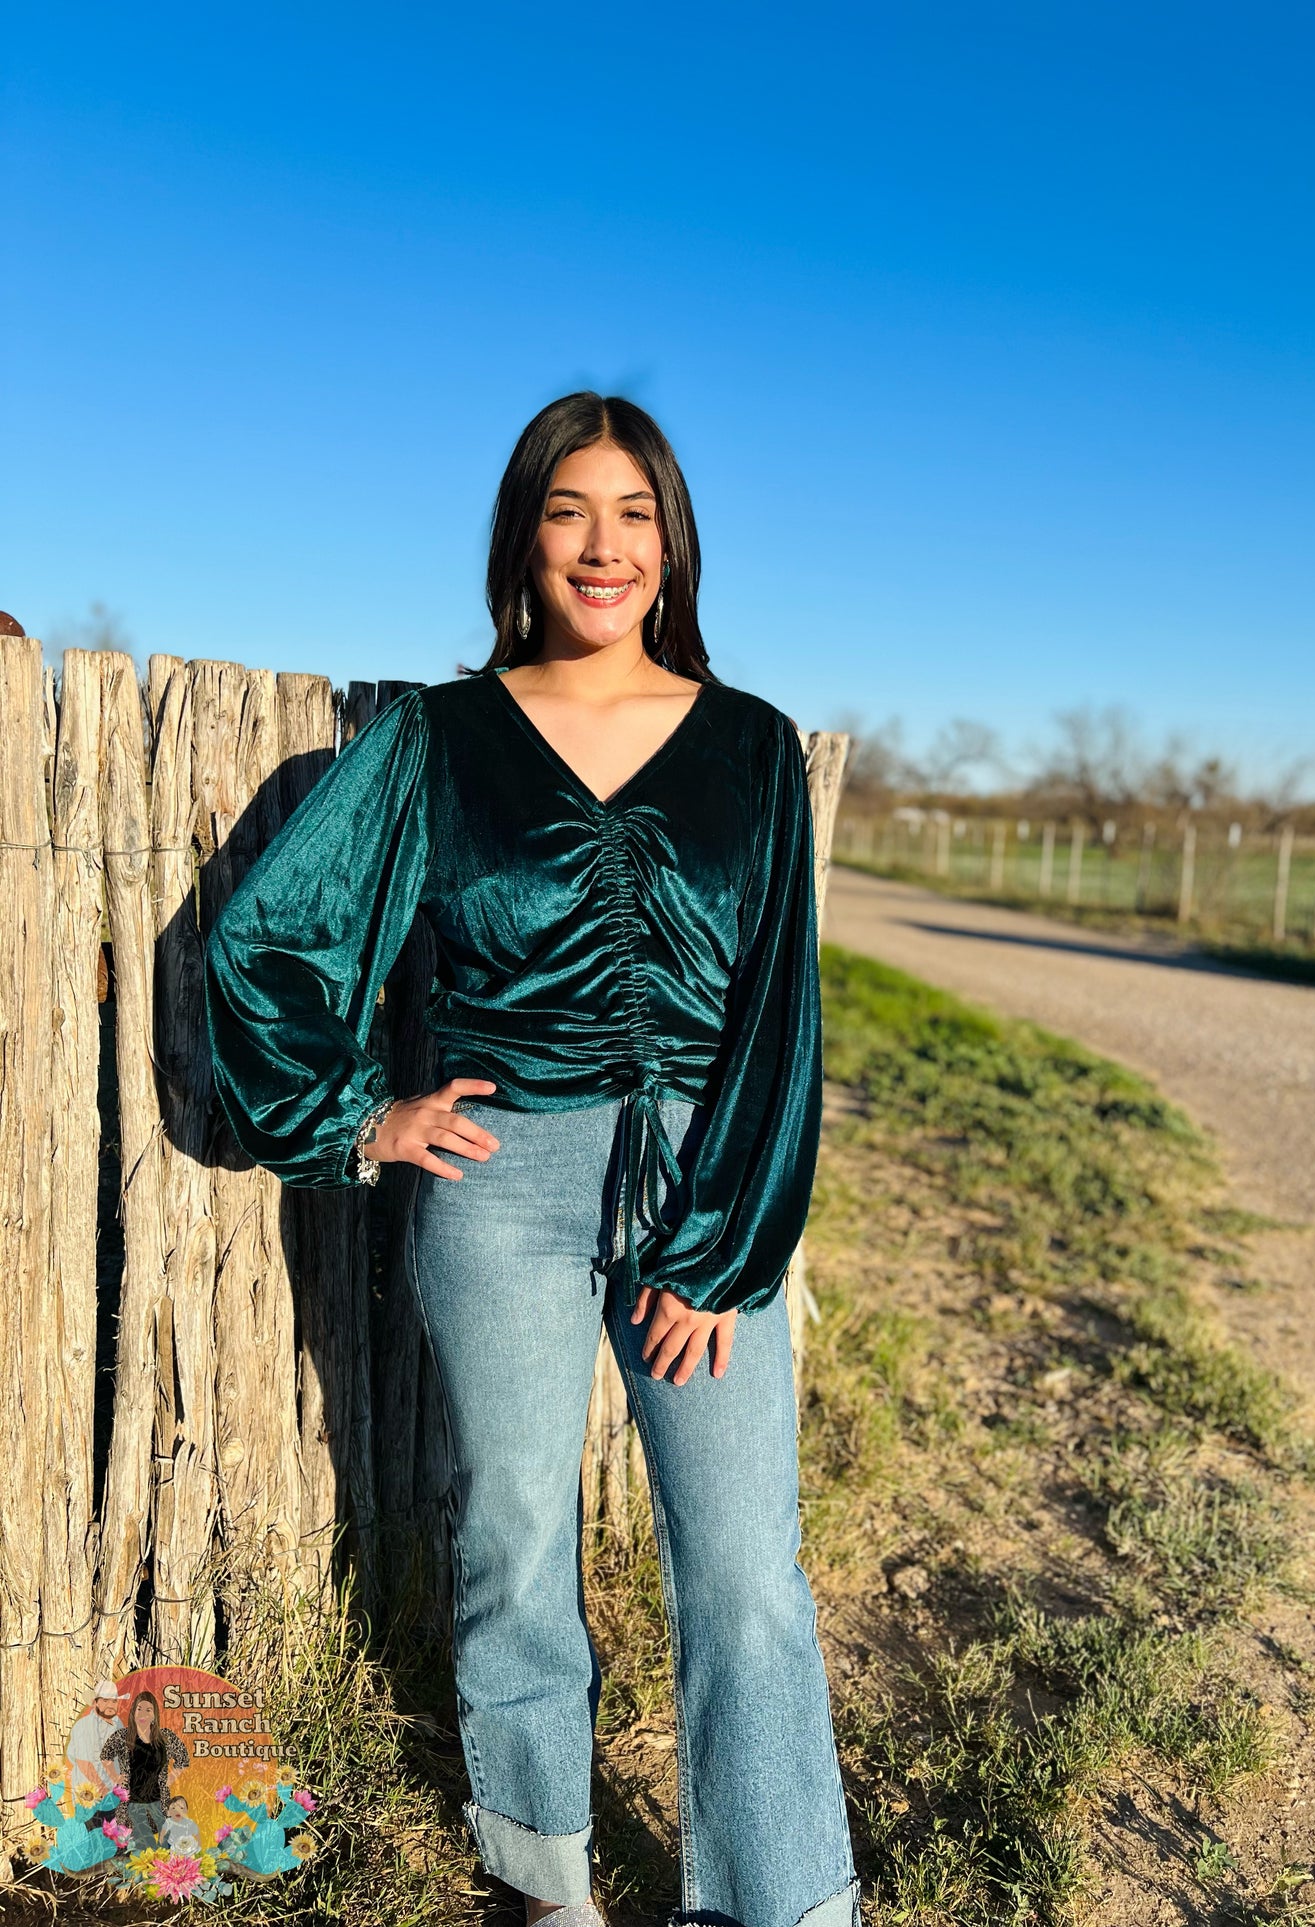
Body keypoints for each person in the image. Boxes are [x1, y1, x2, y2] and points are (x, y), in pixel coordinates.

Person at [204, 392, 858, 1927]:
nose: (603, 543)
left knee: (749, 1568)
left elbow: (781, 1020)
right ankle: (543, 1876)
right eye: (570, 509)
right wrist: (365, 1112)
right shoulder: (438, 740)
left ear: (672, 541)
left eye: (634, 512)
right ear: (524, 535)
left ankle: (779, 1901)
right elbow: (268, 942)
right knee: (511, 1530)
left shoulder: (752, 749)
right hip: (497, 1186)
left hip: (700, 1183)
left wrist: (722, 1245)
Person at [101, 1689, 191, 1851]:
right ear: (133, 1712)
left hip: (159, 1801)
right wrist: (115, 1776)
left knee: (167, 1843)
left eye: (148, 1710)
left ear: (154, 1715)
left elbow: (183, 1758)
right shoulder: (123, 1737)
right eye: (139, 1709)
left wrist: (171, 1778)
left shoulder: (165, 1738)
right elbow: (106, 1755)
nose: (142, 1714)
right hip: (133, 1802)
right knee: (145, 1844)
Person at [66, 1677, 125, 1810]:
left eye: (114, 1701)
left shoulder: (117, 1724)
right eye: (105, 1700)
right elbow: (84, 1763)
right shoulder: (83, 1726)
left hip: (111, 1793)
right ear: (95, 1703)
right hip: (88, 1794)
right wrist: (104, 1789)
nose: (110, 1705)